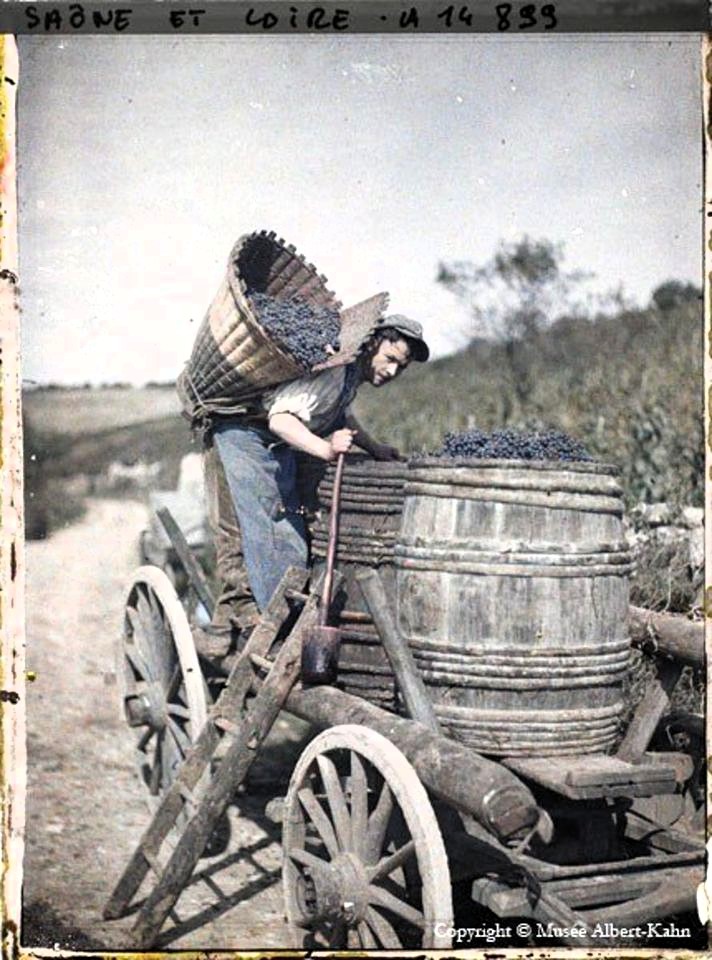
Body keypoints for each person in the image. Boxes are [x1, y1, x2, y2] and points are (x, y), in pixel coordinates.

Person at [196, 315, 430, 664]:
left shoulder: (349, 377)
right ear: (372, 344)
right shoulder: (336, 373)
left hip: (267, 444)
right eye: (390, 359)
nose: (393, 371)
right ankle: (246, 629)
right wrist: (326, 449)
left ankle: (241, 629)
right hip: (241, 434)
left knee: (281, 538)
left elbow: (337, 413)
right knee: (256, 534)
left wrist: (373, 447)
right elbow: (281, 420)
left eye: (402, 366)